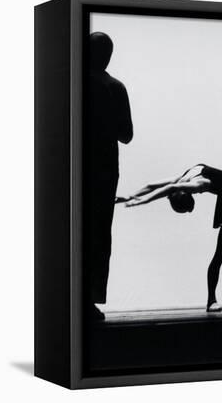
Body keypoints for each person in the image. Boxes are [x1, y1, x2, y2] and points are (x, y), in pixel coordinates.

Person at [120, 164, 222, 312]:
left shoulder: (191, 182)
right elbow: (159, 187)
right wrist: (134, 197)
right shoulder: (190, 180)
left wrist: (138, 199)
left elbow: (164, 187)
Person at [85, 32, 133, 320]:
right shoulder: (115, 87)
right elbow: (126, 135)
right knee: (100, 234)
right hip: (104, 169)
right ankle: (89, 300)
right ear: (109, 56)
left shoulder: (73, 83)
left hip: (75, 165)